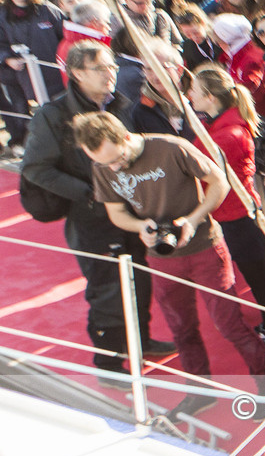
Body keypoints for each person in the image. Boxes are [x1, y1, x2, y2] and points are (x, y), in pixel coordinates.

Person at [77, 112, 265, 414]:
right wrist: (140, 226)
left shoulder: (171, 147)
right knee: (182, 330)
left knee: (230, 325)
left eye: (117, 159)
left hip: (205, 249)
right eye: (104, 163)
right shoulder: (103, 166)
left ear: (127, 138)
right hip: (162, 259)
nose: (113, 168)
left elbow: (220, 182)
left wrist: (193, 220)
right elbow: (116, 212)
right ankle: (200, 393)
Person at [21, 43, 171, 374]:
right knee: (107, 288)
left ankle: (140, 341)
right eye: (101, 68)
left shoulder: (119, 103)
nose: (110, 74)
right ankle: (109, 363)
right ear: (76, 73)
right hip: (90, 217)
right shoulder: (53, 115)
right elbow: (35, 168)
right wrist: (90, 193)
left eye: (112, 67)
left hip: (131, 209)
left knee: (138, 278)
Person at [185, 64, 265, 358]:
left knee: (258, 279)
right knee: (260, 275)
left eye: (194, 90)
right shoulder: (222, 125)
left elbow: (200, 169)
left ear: (210, 97)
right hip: (238, 213)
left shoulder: (227, 135)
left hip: (237, 217)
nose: (190, 94)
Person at [1, 0, 64, 156]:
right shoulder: (3, 15)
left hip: (53, 69)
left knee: (60, 104)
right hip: (23, 73)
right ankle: (30, 143)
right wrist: (7, 59)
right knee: (29, 108)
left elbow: (64, 35)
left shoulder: (46, 10)